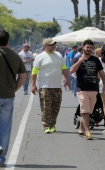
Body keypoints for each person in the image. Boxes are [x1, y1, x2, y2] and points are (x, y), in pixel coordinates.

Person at [31, 38, 70, 134]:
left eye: (54, 45)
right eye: (51, 45)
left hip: (57, 86)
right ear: (45, 46)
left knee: (56, 106)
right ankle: (47, 125)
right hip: (45, 86)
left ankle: (52, 124)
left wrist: (67, 80)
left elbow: (64, 68)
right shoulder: (40, 57)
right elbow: (34, 72)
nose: (53, 46)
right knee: (46, 106)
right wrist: (33, 85)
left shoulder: (59, 55)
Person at [70, 39, 105, 140]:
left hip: (93, 89)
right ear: (83, 47)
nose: (89, 49)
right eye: (87, 47)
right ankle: (87, 131)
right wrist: (81, 61)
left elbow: (102, 73)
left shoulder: (95, 60)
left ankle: (81, 129)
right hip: (82, 89)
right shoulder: (77, 58)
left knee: (88, 112)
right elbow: (72, 70)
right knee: (85, 111)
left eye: (90, 48)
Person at [0, 30, 27, 166]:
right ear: (8, 40)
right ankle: (1, 158)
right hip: (8, 96)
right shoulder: (15, 56)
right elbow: (23, 76)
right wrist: (14, 89)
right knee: (5, 127)